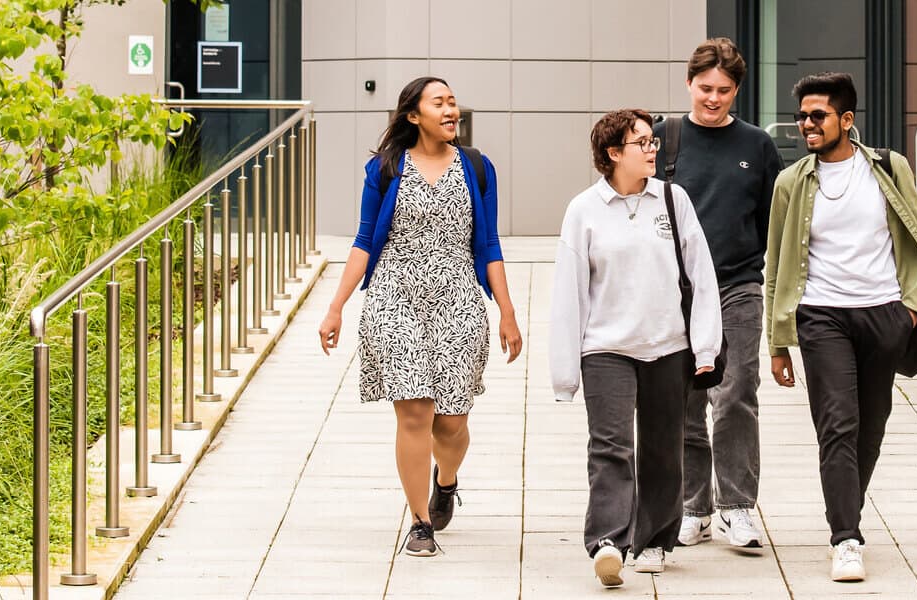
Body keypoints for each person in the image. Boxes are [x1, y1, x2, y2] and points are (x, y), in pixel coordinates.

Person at [317, 76, 523, 558]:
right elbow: (365, 240)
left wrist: (507, 311)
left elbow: (488, 243)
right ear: (414, 115)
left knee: (450, 422)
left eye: (453, 101)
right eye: (440, 102)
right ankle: (420, 521)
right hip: (395, 295)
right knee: (414, 411)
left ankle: (445, 481)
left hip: (457, 297)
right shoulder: (386, 168)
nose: (452, 109)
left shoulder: (476, 166)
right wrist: (335, 307)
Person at [763, 72, 917, 582]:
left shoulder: (891, 168)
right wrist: (778, 341)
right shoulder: (791, 182)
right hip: (821, 316)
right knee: (837, 425)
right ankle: (846, 536)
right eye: (802, 115)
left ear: (847, 120)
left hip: (884, 314)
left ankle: (848, 510)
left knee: (871, 425)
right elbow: (776, 264)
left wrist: (910, 311)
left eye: (817, 115)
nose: (806, 124)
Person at [552, 108, 722, 587]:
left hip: (667, 345)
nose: (653, 149)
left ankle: (653, 541)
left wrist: (705, 346)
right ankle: (607, 540)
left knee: (664, 447)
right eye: (642, 142)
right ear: (613, 153)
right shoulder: (583, 209)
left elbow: (701, 276)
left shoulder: (673, 199)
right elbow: (570, 293)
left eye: (653, 141)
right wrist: (565, 371)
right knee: (610, 446)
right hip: (604, 347)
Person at [653, 37, 784, 551]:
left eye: (724, 91)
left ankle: (736, 508)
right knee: (684, 401)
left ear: (737, 92)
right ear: (689, 83)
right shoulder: (662, 138)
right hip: (674, 293)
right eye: (705, 88)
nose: (713, 98)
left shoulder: (757, 146)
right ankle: (693, 506)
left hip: (737, 285)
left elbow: (775, 220)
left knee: (735, 396)